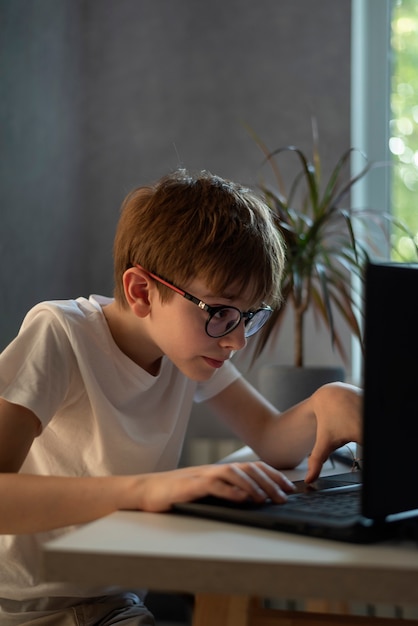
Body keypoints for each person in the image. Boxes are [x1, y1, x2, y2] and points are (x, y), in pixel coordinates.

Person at [0, 169, 362, 625]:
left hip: (116, 606)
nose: (237, 342)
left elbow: (270, 437)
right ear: (142, 292)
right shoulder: (61, 334)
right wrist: (146, 490)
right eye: (222, 312)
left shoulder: (185, 349)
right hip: (20, 610)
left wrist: (325, 402)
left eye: (249, 317)